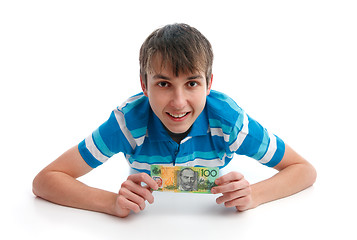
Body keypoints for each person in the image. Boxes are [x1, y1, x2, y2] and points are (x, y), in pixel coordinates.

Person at [32, 23, 317, 218]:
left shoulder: (230, 121)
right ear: (144, 85)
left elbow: (303, 169)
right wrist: (110, 203)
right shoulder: (127, 123)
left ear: (209, 84)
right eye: (164, 84)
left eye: (192, 83)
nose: (178, 103)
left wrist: (254, 194)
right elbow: (45, 180)